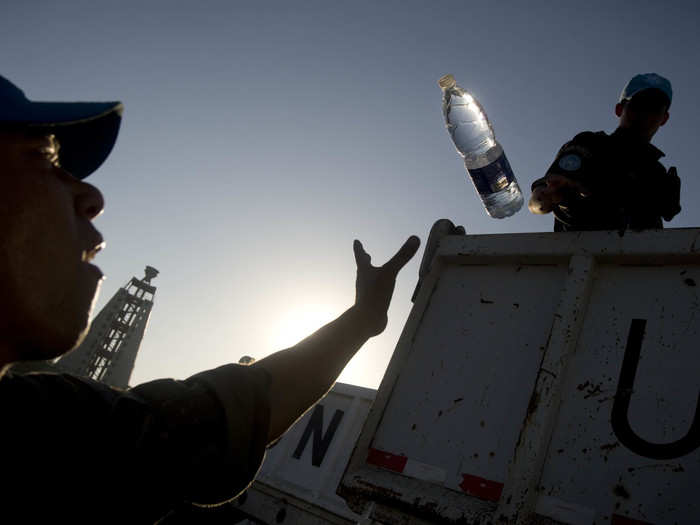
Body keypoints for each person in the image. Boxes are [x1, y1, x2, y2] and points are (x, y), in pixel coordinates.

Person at [0, 74, 420, 524]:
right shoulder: (47, 435)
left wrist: (361, 320)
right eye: (43, 160)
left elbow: (216, 420)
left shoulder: (45, 431)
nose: (92, 194)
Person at [528, 73, 681, 233]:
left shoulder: (657, 172)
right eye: (638, 104)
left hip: (641, 256)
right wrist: (551, 198)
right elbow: (543, 198)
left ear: (664, 118)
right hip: (583, 253)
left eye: (654, 108)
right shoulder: (589, 144)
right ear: (619, 109)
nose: (645, 114)